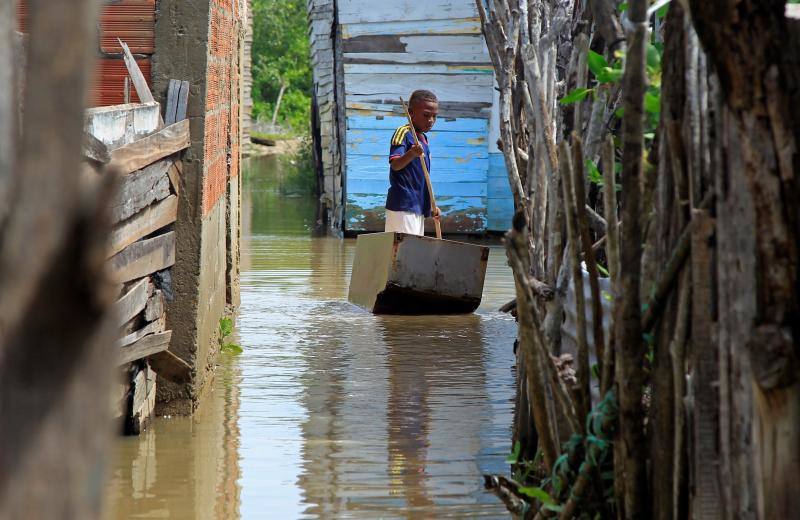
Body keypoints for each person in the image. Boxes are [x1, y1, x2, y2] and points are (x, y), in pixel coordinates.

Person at [385, 89, 441, 235]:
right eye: (426, 115)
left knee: (410, 253)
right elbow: (395, 165)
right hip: (403, 205)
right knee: (403, 253)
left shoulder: (424, 139)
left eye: (434, 116)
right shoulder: (403, 133)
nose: (431, 120)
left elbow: (421, 178)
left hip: (418, 206)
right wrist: (411, 153)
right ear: (410, 113)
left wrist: (431, 205)